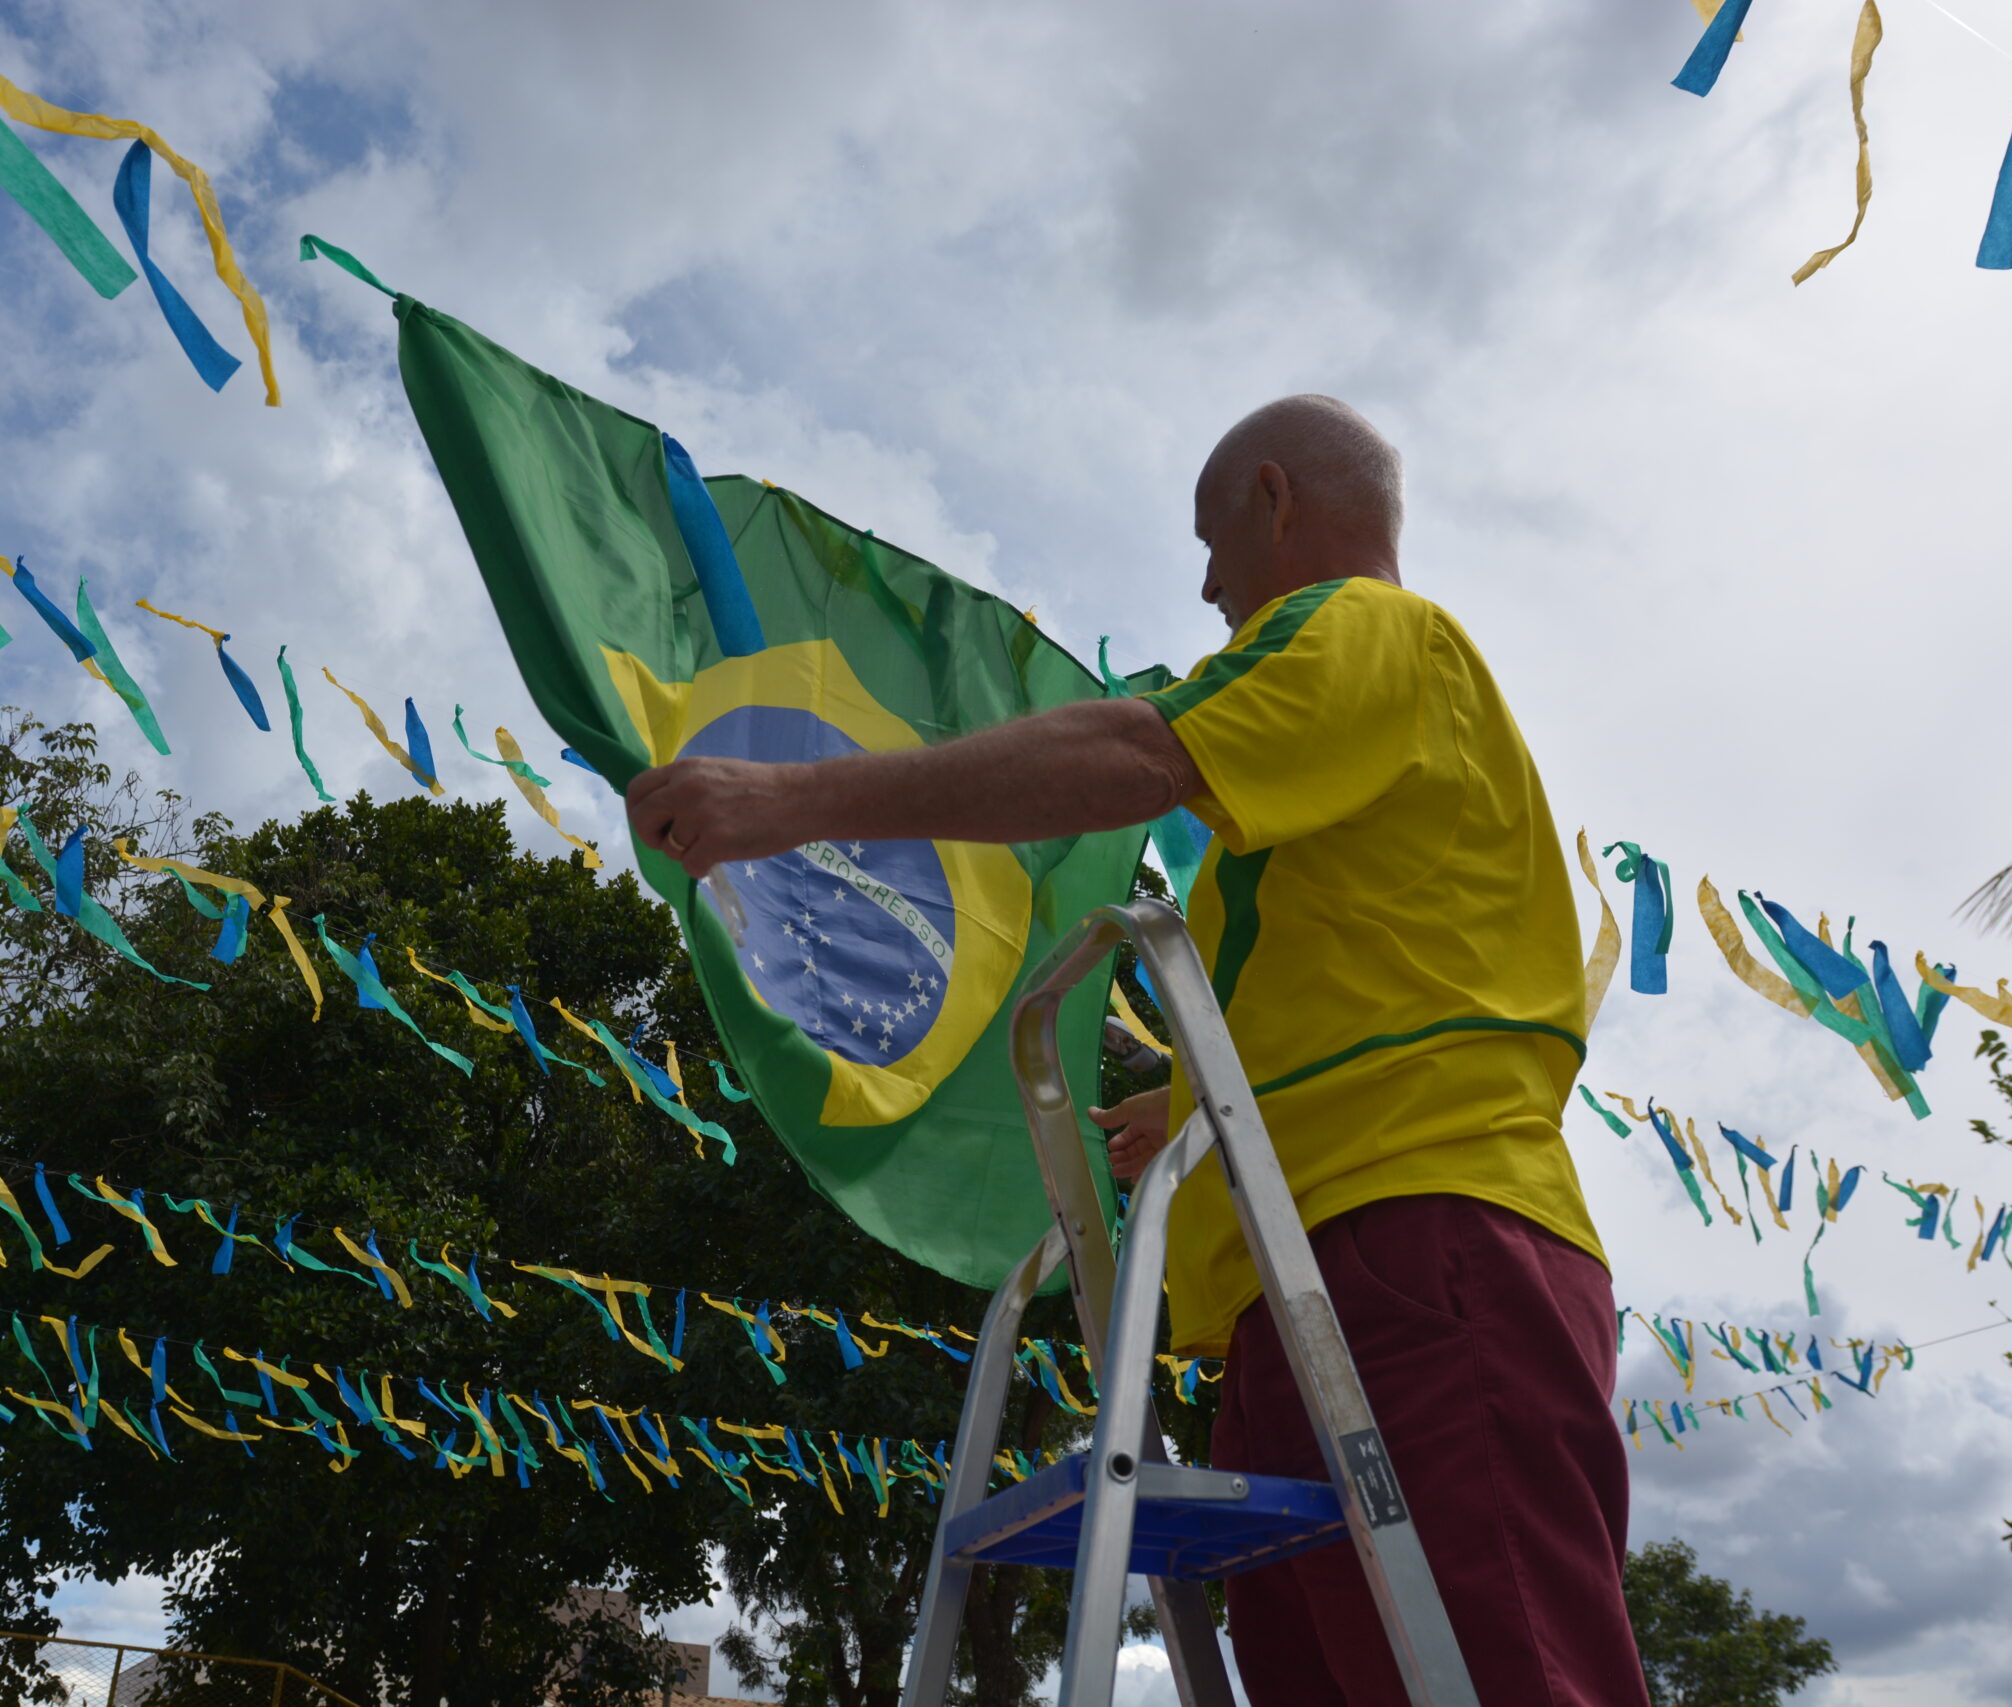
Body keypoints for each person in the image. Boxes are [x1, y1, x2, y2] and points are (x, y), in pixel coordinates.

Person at [624, 396, 1647, 1705]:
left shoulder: (1363, 626)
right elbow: (1377, 974)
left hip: (1416, 1243)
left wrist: (799, 799)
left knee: (1501, 1675)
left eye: (1216, 541)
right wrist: (1195, 1103)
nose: (1210, 584)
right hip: (1306, 1290)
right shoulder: (1368, 728)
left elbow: (1139, 752)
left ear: (1278, 497)